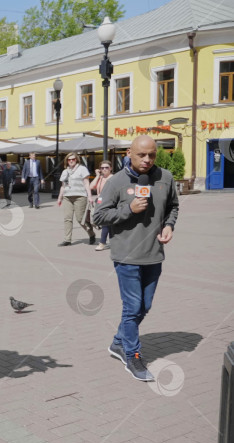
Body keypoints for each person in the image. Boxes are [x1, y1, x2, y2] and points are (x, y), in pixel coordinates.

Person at [93, 135, 179, 381]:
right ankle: (133, 356)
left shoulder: (165, 177)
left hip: (154, 254)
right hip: (127, 256)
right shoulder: (116, 181)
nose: (147, 160)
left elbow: (173, 206)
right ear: (129, 153)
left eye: (152, 154)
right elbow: (98, 217)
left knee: (145, 306)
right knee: (132, 308)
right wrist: (128, 210)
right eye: (142, 155)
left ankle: (118, 342)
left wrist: (169, 225)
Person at [57, 153, 95, 246]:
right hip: (67, 197)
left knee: (80, 219)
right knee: (67, 219)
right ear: (67, 161)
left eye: (73, 159)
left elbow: (86, 183)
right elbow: (63, 186)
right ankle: (67, 239)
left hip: (80, 197)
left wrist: (90, 196)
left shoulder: (82, 169)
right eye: (69, 159)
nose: (71, 161)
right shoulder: (65, 171)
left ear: (76, 160)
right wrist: (60, 197)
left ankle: (91, 234)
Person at [90, 160, 114, 251]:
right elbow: (91, 186)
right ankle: (113, 242)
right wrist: (97, 176)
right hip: (100, 203)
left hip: (110, 203)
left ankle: (102, 242)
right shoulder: (100, 178)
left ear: (111, 168)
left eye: (106, 167)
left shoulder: (113, 178)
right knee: (108, 223)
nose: (104, 169)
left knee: (105, 223)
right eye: (102, 168)